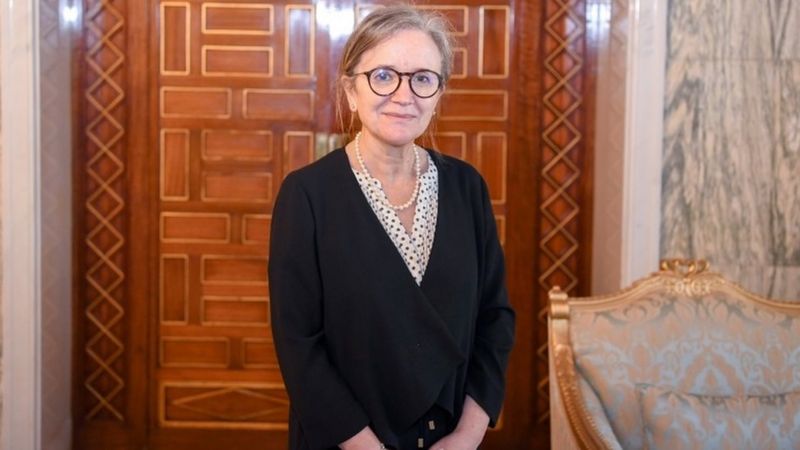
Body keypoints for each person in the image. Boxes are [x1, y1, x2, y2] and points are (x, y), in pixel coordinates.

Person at [268, 5, 515, 450]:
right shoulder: (307, 195)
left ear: (439, 93)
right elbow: (298, 344)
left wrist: (467, 435)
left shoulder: (467, 188)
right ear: (351, 90)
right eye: (383, 76)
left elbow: (495, 320)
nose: (404, 95)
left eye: (423, 78)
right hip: (345, 441)